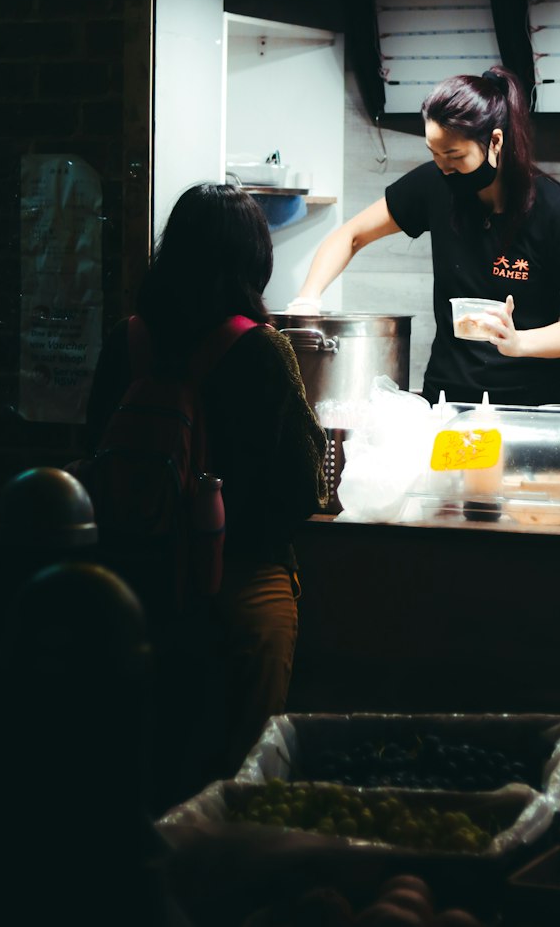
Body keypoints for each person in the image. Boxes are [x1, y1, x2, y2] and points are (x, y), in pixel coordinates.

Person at [85, 182, 328, 808]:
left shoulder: (128, 340)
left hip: (134, 586)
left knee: (150, 773)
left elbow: (94, 452)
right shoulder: (261, 349)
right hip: (238, 591)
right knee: (237, 785)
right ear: (254, 259)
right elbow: (304, 487)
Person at [288, 66, 560, 407]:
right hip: (447, 400)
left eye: (455, 156)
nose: (443, 167)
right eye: (434, 154)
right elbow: (350, 235)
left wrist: (518, 342)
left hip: (529, 405)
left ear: (495, 141)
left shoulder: (557, 211)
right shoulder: (434, 185)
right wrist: (308, 298)